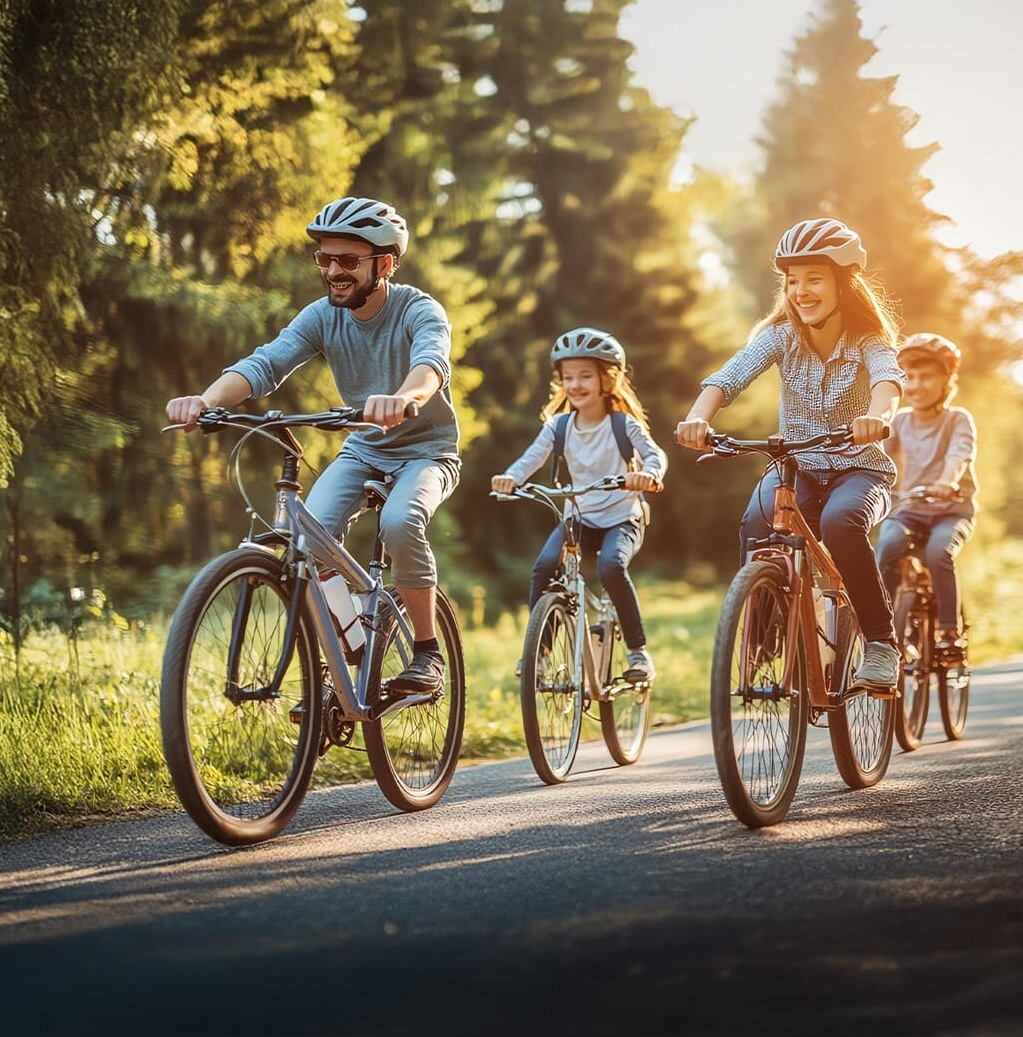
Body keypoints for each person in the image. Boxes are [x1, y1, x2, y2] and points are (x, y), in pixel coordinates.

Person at [166, 196, 460, 695]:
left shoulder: (418, 309)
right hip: (363, 449)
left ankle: (427, 654)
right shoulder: (323, 316)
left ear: (384, 264)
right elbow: (267, 363)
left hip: (426, 453)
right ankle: (353, 655)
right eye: (325, 259)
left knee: (399, 521)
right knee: (312, 539)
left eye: (347, 260)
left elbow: (432, 362)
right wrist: (207, 400)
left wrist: (403, 398)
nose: (333, 271)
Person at [676, 217, 907, 692]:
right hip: (798, 468)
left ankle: (881, 643)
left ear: (844, 282)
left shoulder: (869, 341)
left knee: (841, 524)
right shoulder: (782, 335)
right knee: (757, 523)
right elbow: (731, 375)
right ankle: (763, 641)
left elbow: (888, 381)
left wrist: (877, 416)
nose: (801, 291)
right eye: (793, 280)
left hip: (860, 472)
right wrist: (699, 417)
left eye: (814, 278)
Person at [490, 327, 667, 682]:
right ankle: (537, 655)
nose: (576, 384)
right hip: (578, 516)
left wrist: (648, 474)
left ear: (608, 380)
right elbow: (530, 460)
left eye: (585, 376)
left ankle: (638, 654)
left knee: (611, 567)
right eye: (568, 377)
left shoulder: (623, 425)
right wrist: (510, 477)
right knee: (544, 568)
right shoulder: (558, 426)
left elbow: (655, 454)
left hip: (621, 517)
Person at [875, 332, 977, 657]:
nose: (916, 385)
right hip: (910, 508)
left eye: (926, 376)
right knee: (888, 544)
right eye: (909, 377)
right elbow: (878, 457)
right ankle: (884, 628)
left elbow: (959, 455)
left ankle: (949, 631)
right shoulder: (900, 421)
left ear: (946, 380)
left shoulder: (957, 419)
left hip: (952, 510)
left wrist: (947, 481)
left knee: (938, 553)